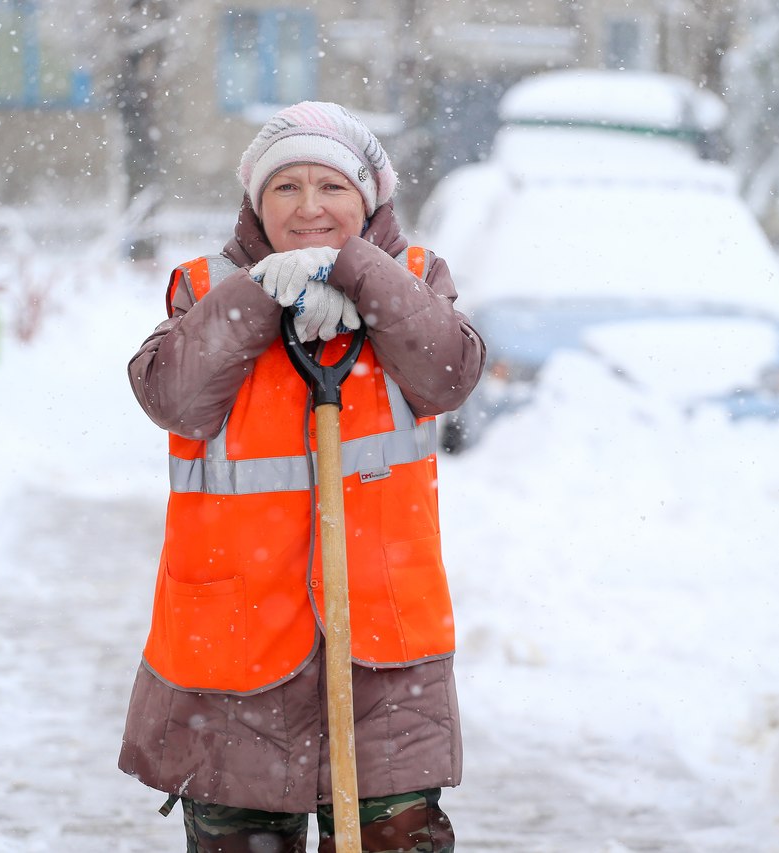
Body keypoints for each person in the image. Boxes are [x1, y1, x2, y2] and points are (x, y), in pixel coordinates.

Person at [119, 101, 485, 853]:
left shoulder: (414, 278)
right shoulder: (204, 285)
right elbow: (174, 397)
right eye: (287, 187)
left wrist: (354, 268)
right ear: (256, 200)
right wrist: (259, 294)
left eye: (333, 188)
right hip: (234, 657)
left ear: (369, 198)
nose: (310, 207)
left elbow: (449, 372)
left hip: (387, 657)